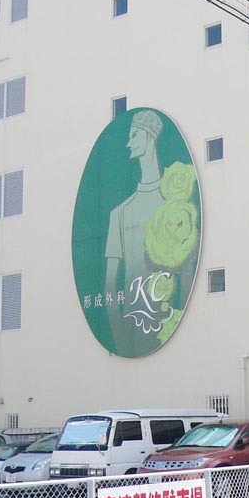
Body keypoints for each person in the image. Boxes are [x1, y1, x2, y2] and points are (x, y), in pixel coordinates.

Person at [104, 110, 168, 357]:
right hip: (132, 334)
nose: (128, 143)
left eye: (134, 136)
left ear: (150, 138)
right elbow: (110, 286)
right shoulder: (120, 213)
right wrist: (120, 338)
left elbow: (185, 277)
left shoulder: (174, 206)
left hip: (170, 327)